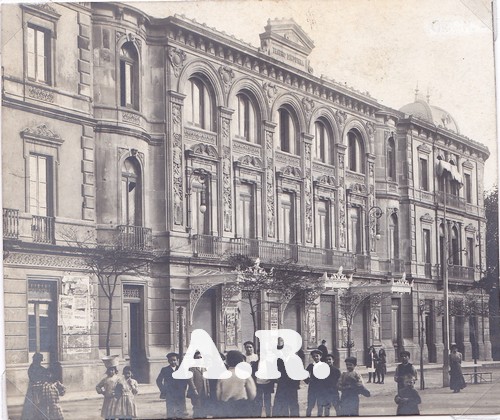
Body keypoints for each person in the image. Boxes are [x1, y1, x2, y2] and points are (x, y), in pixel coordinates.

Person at [216, 350, 256, 418]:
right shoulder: (245, 374)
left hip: (226, 406)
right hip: (242, 406)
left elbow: (218, 394)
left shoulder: (222, 375)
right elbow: (252, 394)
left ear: (227, 361)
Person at [272, 337, 301, 417]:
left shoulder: (295, 360)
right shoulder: (279, 360)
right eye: (284, 350)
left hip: (292, 385)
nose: (285, 352)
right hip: (282, 385)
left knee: (293, 403)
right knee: (283, 403)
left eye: (287, 350)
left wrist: (296, 384)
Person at [156, 352, 188, 419]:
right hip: (169, 393)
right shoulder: (165, 370)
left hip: (180, 393)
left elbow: (185, 380)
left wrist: (183, 389)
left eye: (174, 360)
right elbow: (158, 380)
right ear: (168, 361)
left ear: (177, 360)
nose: (173, 362)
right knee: (170, 410)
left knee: (180, 411)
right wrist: (163, 390)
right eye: (171, 360)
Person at [21, 352, 48, 420]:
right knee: (32, 405)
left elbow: (45, 375)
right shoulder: (32, 368)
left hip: (40, 389)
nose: (39, 362)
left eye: (40, 360)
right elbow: (33, 378)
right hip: (33, 390)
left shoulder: (41, 368)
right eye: (38, 360)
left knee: (40, 404)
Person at [187, 351, 211, 418]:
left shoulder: (204, 368)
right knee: (197, 407)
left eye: (200, 357)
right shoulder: (192, 368)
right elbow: (190, 380)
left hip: (204, 391)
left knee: (204, 407)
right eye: (197, 358)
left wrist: (208, 391)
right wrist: (194, 390)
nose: (199, 359)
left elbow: (207, 381)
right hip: (196, 391)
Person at [304, 349, 326, 416]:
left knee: (320, 405)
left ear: (320, 356)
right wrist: (308, 380)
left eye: (317, 356)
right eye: (314, 356)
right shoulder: (311, 366)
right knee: (310, 405)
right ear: (312, 357)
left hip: (321, 389)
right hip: (312, 389)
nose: (316, 357)